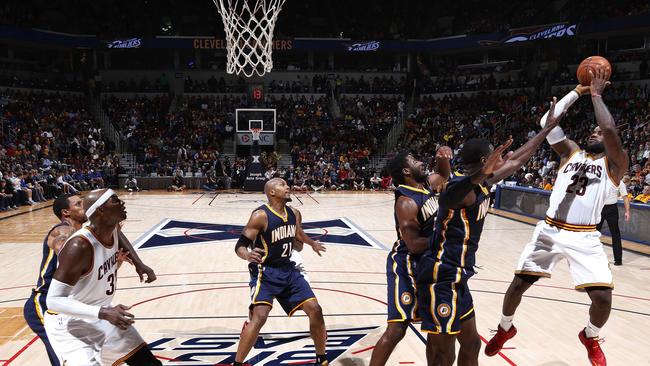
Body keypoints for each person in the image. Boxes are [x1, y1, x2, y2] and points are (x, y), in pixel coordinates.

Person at [485, 69, 628, 366]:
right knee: (517, 286)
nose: (595, 132)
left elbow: (611, 130)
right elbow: (545, 124)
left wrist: (598, 96)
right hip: (550, 230)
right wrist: (578, 91)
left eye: (599, 133)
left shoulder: (616, 165)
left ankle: (590, 335)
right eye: (593, 130)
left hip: (585, 236)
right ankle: (505, 328)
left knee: (603, 298)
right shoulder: (571, 152)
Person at [418, 96, 565, 366]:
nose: (503, 158)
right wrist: (481, 174)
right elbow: (449, 197)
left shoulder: (485, 181)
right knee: (443, 352)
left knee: (472, 343)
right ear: (486, 160)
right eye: (496, 155)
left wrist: (546, 131)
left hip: (459, 276)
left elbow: (518, 159)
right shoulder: (460, 187)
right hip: (442, 276)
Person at [44, 189, 160, 366]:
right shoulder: (79, 246)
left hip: (101, 313)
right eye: (114, 200)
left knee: (148, 363)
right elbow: (53, 301)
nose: (121, 202)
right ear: (100, 211)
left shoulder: (110, 229)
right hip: (71, 323)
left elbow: (119, 235)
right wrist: (104, 312)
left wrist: (138, 263)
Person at [369, 146, 451, 366]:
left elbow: (444, 174)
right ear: (406, 171)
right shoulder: (406, 201)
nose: (421, 161)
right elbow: (413, 244)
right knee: (397, 329)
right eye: (414, 160)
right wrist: (446, 238)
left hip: (426, 263)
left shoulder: (427, 187)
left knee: (434, 328)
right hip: (405, 265)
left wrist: (444, 157)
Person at [233, 178, 328, 366]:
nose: (287, 187)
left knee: (315, 310)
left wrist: (312, 243)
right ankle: (237, 363)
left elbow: (297, 233)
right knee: (260, 316)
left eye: (287, 184)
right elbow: (240, 245)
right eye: (282, 185)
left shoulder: (293, 212)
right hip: (265, 272)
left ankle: (321, 359)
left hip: (288, 269)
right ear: (271, 192)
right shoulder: (260, 216)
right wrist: (248, 255)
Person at [597, 180, 630, 265]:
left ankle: (618, 260)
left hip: (612, 209)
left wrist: (627, 211)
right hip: (599, 208)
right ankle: (592, 256)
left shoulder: (619, 181)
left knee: (615, 234)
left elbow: (625, 196)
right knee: (594, 234)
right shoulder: (600, 179)